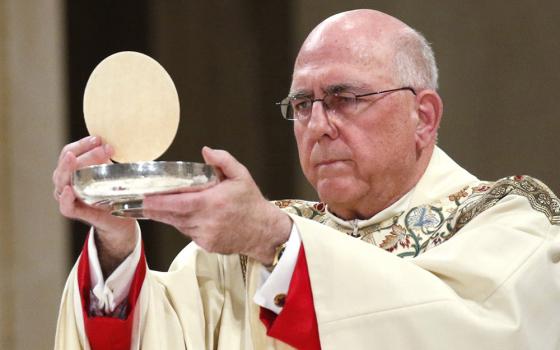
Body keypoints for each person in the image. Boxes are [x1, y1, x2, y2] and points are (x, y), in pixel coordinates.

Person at [54, 9, 560, 350]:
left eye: (346, 98)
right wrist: (115, 240)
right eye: (302, 104)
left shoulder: (513, 227)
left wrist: (275, 241)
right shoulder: (239, 254)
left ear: (423, 117)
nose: (318, 125)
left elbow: (474, 334)